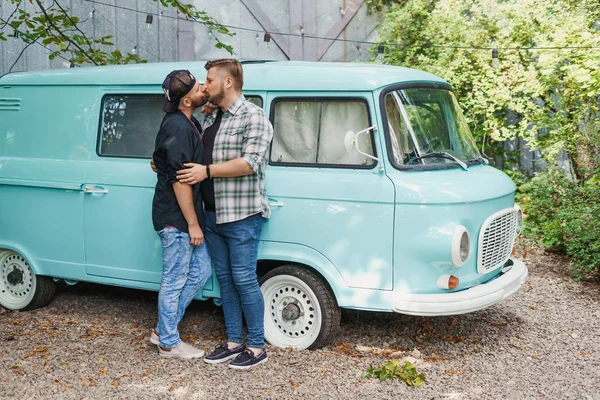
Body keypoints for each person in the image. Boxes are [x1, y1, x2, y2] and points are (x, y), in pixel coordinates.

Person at [176, 59, 274, 370]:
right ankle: (234, 343)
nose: (205, 87)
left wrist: (206, 172)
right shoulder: (212, 117)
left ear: (228, 82)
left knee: (245, 279)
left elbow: (250, 163)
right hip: (213, 216)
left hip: (242, 215)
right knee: (226, 282)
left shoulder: (254, 117)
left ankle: (257, 347)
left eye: (209, 81)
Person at [150, 69, 212, 359]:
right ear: (186, 101)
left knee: (201, 271)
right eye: (200, 88)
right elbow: (178, 180)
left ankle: (164, 328)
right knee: (175, 278)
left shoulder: (186, 120)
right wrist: (192, 224)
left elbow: (163, 159)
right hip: (176, 219)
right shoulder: (178, 127)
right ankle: (169, 344)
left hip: (183, 217)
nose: (204, 90)